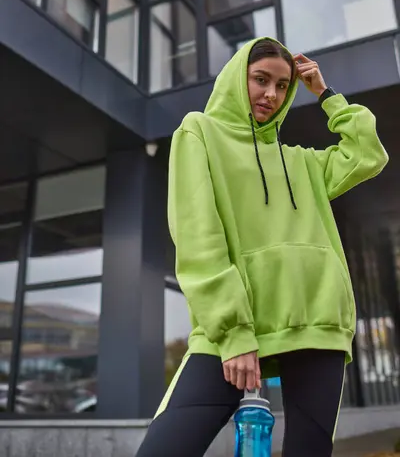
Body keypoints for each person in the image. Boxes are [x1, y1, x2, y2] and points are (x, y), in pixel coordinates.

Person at [136, 37, 388, 457]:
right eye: (260, 79)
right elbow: (199, 237)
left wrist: (326, 95)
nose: (271, 94)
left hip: (317, 324)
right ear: (238, 78)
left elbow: (367, 155)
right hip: (234, 329)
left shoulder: (303, 162)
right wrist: (234, 333)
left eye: (283, 85)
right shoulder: (199, 132)